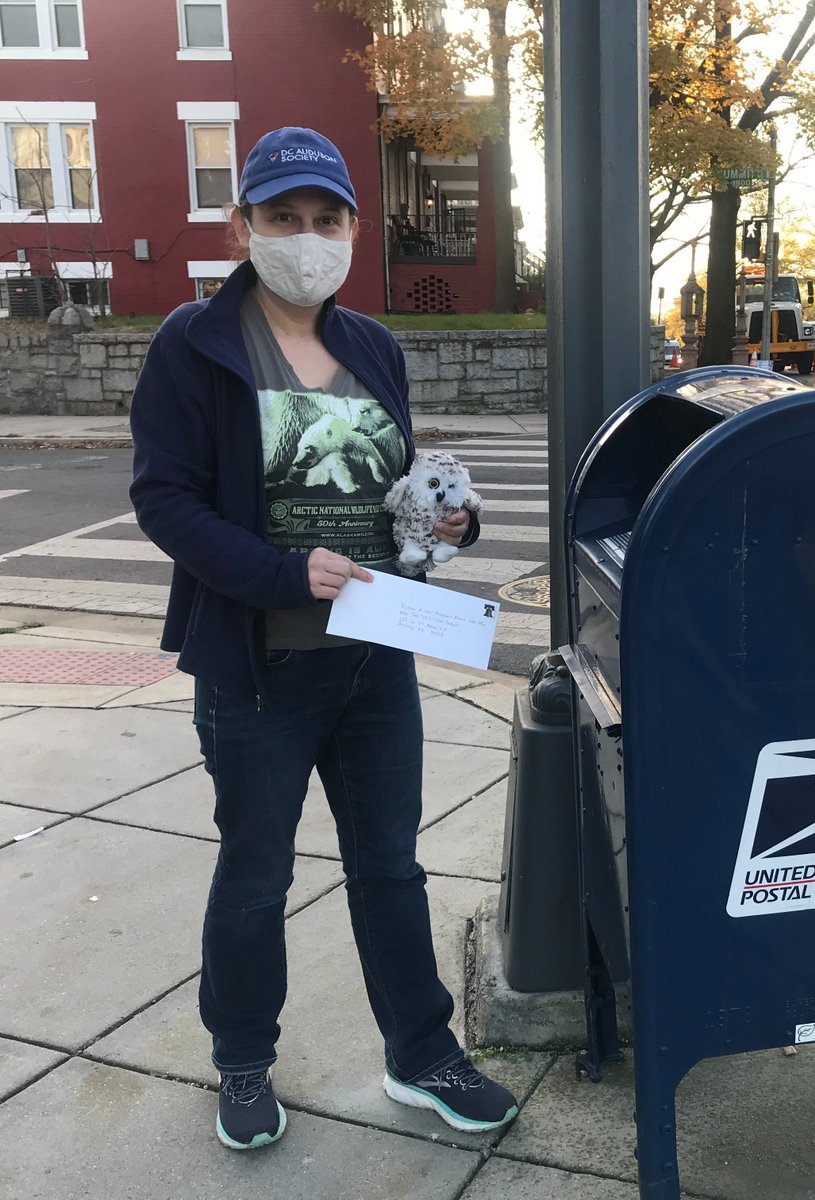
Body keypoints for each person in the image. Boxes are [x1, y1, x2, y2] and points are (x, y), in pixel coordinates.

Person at [129, 127, 517, 1151]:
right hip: (259, 670)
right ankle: (243, 1062)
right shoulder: (195, 343)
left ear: (352, 228)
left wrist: (449, 523)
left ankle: (420, 1054)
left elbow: (399, 486)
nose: (307, 236)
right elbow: (164, 498)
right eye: (284, 217)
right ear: (244, 226)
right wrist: (277, 574)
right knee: (257, 876)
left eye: (327, 218)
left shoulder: (374, 347)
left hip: (374, 659)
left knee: (391, 866)